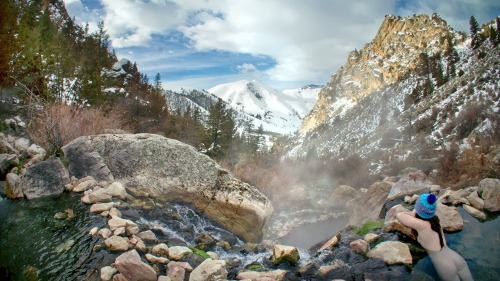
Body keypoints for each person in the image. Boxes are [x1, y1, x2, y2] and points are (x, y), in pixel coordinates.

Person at [396, 193, 474, 281]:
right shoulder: (435, 220)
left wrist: (413, 212)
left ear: (418, 210)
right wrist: (419, 210)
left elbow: (399, 215)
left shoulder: (422, 225)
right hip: (456, 258)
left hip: (444, 265)